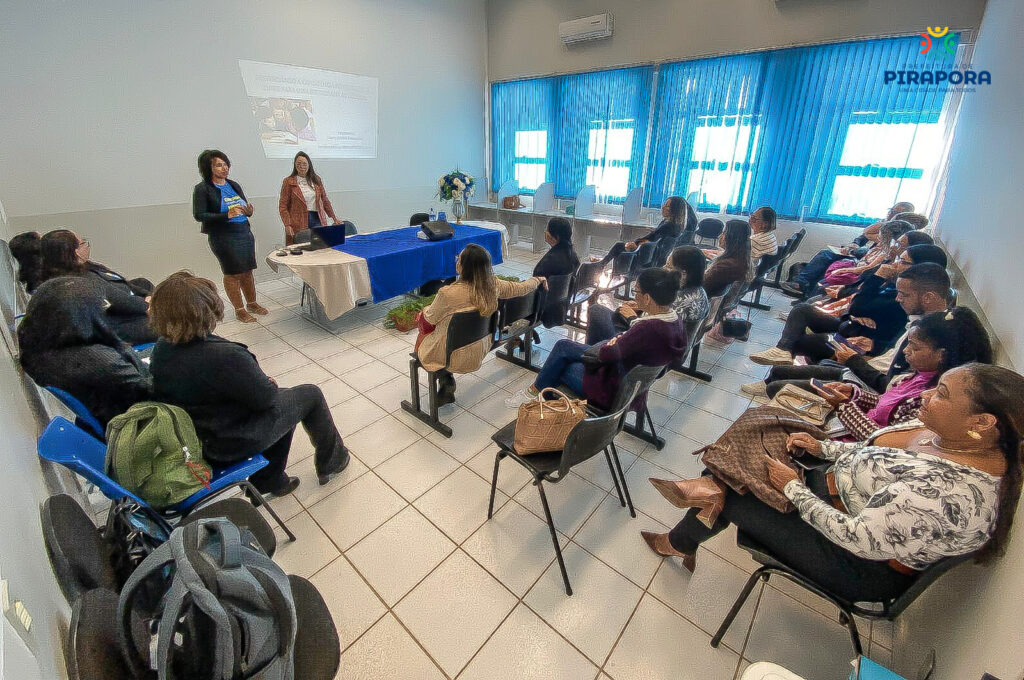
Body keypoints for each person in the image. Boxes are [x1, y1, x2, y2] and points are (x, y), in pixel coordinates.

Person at [641, 363, 1023, 601]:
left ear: (982, 423)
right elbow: (873, 453)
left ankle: (686, 528)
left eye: (941, 393)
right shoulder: (942, 432)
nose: (924, 395)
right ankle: (693, 519)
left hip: (854, 560)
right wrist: (823, 448)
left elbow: (857, 536)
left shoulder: (947, 494)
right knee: (751, 442)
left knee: (734, 489)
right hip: (832, 490)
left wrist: (793, 487)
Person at [148, 272, 349, 497]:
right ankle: (333, 460)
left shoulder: (162, 349)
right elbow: (266, 399)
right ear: (207, 310)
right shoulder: (225, 356)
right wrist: (269, 385)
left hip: (196, 435)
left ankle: (272, 479)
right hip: (228, 442)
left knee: (288, 400)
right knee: (309, 394)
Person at [744, 263, 953, 398]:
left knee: (779, 382)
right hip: (862, 360)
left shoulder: (929, 336)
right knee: (782, 367)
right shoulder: (916, 321)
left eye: (904, 295)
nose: (898, 299)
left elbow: (889, 383)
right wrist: (874, 344)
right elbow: (891, 348)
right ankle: (782, 354)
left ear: (928, 297)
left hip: (864, 376)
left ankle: (779, 369)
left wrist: (855, 359)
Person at [505, 267, 689, 410]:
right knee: (588, 327)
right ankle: (541, 392)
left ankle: (537, 394)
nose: (635, 295)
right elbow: (672, 357)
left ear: (648, 298)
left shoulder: (648, 328)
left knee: (561, 356)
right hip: (632, 383)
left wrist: (617, 340)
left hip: (612, 390)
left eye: (637, 292)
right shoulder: (675, 320)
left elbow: (608, 354)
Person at [750, 244, 948, 366]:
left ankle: (780, 372)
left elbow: (859, 306)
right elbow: (858, 299)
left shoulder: (907, 296)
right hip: (851, 324)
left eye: (903, 261)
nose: (896, 263)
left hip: (858, 338)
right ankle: (782, 351)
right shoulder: (897, 285)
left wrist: (877, 279)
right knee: (802, 309)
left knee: (804, 342)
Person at [810, 308, 992, 440]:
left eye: (914, 347)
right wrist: (853, 394)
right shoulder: (921, 375)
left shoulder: (932, 399)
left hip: (856, 446)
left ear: (941, 355)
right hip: (850, 425)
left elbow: (883, 440)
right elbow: (891, 407)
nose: (905, 351)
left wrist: (844, 406)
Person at [416, 244, 544, 405]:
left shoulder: (447, 294)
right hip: (482, 346)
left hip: (452, 354)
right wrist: (537, 279)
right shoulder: (493, 285)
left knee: (425, 332)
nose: (457, 260)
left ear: (464, 266)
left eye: (459, 258)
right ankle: (445, 377)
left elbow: (430, 319)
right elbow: (522, 288)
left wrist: (425, 309)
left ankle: (444, 376)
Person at [18, 276, 152, 427]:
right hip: (141, 419)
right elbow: (149, 393)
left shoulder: (45, 345)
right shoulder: (97, 362)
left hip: (121, 396)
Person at [38, 230, 156, 345]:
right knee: (171, 323)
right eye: (82, 243)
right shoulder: (82, 281)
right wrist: (150, 304)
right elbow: (120, 301)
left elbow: (120, 284)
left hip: (122, 310)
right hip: (121, 325)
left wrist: (149, 298)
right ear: (75, 252)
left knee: (142, 283)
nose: (86, 245)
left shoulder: (83, 268)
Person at [192, 149, 268, 324]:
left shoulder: (233, 185)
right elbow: (199, 215)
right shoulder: (203, 189)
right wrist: (226, 215)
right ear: (208, 167)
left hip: (243, 231)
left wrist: (248, 212)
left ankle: (252, 303)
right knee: (233, 273)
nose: (224, 168)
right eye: (219, 165)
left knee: (247, 270)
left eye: (225, 164)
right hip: (223, 235)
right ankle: (239, 310)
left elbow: (242, 207)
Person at [783, 201, 915, 297]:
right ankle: (802, 286)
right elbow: (862, 237)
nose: (890, 213)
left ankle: (801, 285)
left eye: (895, 212)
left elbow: (869, 234)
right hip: (863, 255)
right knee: (825, 256)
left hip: (866, 261)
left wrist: (855, 252)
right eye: (891, 210)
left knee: (829, 259)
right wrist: (853, 245)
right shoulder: (883, 223)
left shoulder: (899, 232)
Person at [591, 196, 690, 265]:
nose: (663, 207)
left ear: (675, 210)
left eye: (667, 206)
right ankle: (604, 264)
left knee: (619, 246)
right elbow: (655, 237)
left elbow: (651, 240)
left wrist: (636, 243)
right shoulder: (676, 225)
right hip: (657, 256)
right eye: (664, 204)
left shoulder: (668, 226)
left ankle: (602, 265)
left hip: (648, 257)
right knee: (622, 245)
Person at [278, 151, 341, 246]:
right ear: (295, 165)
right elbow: (283, 206)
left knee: (320, 247)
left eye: (304, 164)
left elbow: (325, 200)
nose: (301, 166)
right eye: (298, 163)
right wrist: (287, 224)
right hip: (298, 221)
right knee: (302, 247)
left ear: (309, 165)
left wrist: (334, 218)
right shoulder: (288, 181)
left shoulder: (316, 179)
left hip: (318, 219)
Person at [532, 217, 581, 327]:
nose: (546, 232)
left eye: (548, 230)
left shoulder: (551, 260)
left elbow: (536, 282)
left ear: (556, 237)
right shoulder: (573, 256)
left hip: (542, 309)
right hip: (560, 305)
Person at [702, 219, 750, 297]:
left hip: (699, 300)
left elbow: (701, 284)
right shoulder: (741, 258)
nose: (719, 236)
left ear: (732, 237)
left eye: (724, 233)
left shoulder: (726, 266)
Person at [747, 206, 778, 276]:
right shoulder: (770, 235)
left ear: (765, 224)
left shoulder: (755, 240)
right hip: (758, 272)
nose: (750, 220)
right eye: (751, 216)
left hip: (748, 275)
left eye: (754, 218)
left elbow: (739, 259)